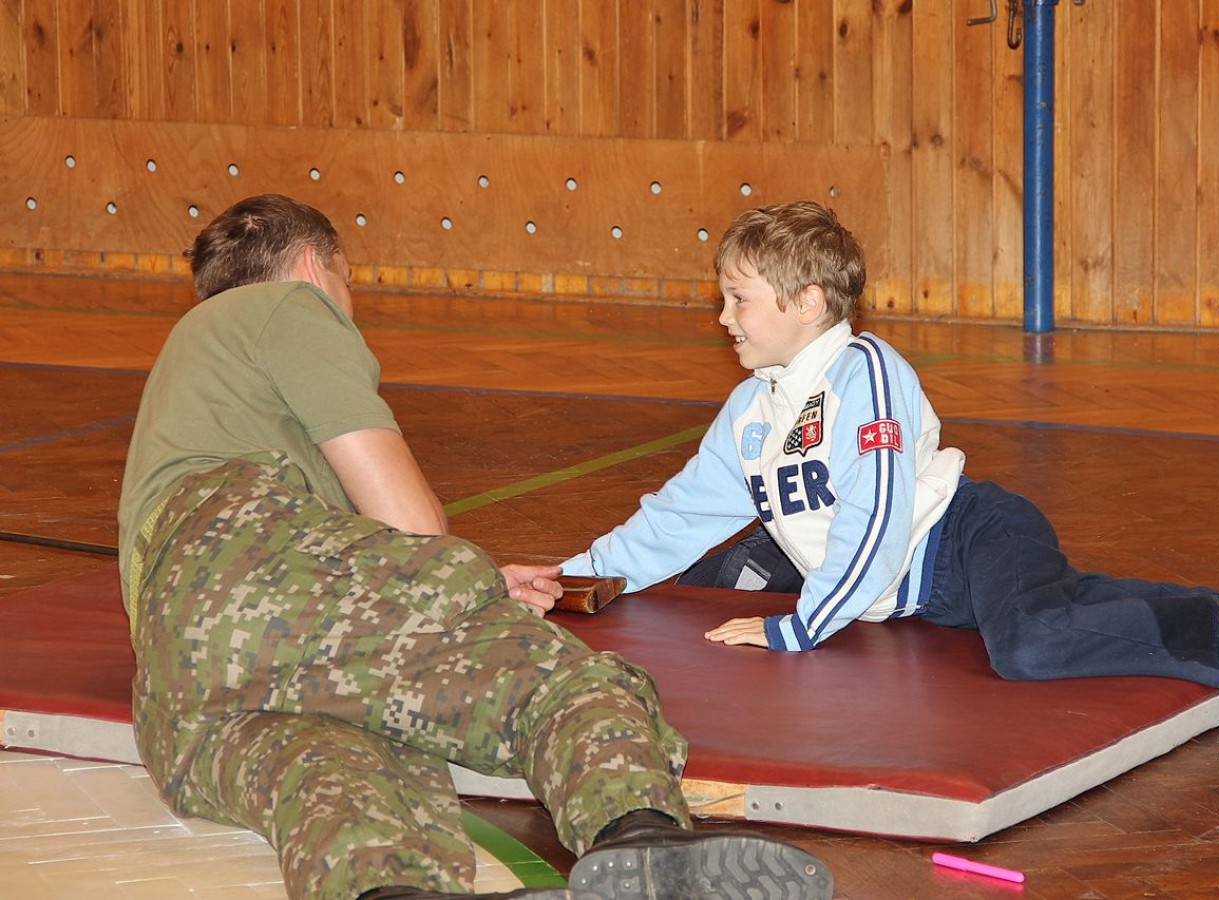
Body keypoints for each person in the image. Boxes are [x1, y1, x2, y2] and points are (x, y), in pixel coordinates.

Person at [117, 194, 833, 900]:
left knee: (332, 773)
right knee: (555, 681)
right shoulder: (289, 306)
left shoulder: (197, 384)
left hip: (178, 678)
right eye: (346, 281)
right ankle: (640, 836)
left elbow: (289, 589)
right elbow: (408, 527)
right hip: (251, 553)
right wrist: (467, 586)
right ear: (313, 265)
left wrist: (477, 577)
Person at [563, 199, 1219, 734]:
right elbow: (681, 513)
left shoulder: (864, 373)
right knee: (1082, 607)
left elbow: (875, 518)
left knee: (1032, 643)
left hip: (970, 537)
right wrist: (572, 579)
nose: (722, 316)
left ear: (807, 303)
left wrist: (802, 626)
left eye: (738, 298)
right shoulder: (752, 407)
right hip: (924, 589)